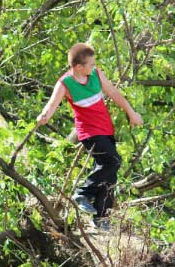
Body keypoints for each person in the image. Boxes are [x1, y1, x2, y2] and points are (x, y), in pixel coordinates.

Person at [36, 43, 143, 229]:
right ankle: (82, 193)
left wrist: (131, 113)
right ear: (78, 66)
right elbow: (51, 104)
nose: (94, 67)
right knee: (113, 161)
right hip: (89, 133)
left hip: (106, 129)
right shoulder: (65, 83)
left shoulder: (96, 74)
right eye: (91, 64)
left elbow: (114, 93)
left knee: (109, 176)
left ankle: (101, 218)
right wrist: (44, 116)